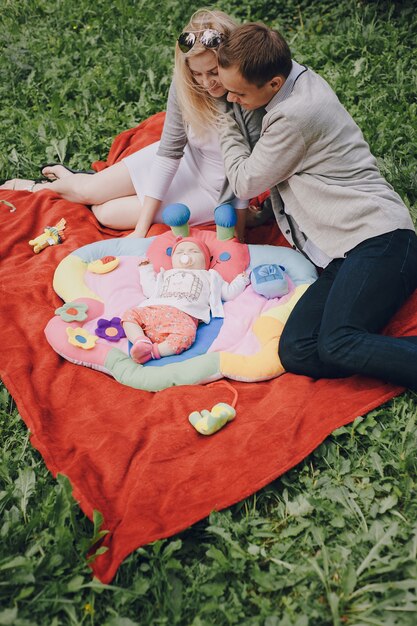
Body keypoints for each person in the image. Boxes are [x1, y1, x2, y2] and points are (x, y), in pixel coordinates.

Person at [214, 22, 417, 390]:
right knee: (297, 351)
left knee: (338, 342)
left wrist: (224, 123)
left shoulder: (296, 116)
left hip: (381, 237)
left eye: (237, 94)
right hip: (344, 251)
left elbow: (245, 180)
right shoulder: (289, 75)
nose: (231, 100)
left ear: (273, 84)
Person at [0, 10, 264, 241]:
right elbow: (170, 152)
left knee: (107, 213)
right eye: (197, 73)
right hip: (183, 162)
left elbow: (243, 171)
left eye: (214, 72)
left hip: (214, 189)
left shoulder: (247, 97)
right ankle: (41, 187)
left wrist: (239, 229)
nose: (206, 83)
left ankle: (75, 181)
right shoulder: (187, 86)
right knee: (89, 191)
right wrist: (141, 228)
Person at [122, 236, 249, 363]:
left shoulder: (210, 276)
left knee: (187, 335)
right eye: (180, 252)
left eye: (193, 251)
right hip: (154, 310)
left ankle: (153, 351)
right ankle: (140, 340)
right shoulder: (166, 274)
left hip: (183, 317)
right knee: (129, 315)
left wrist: (241, 280)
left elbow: (228, 293)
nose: (186, 254)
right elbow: (150, 291)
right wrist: (145, 269)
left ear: (206, 260)